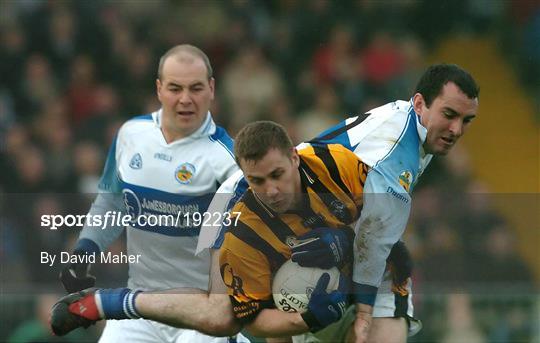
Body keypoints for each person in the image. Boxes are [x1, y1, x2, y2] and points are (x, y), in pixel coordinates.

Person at [51, 63, 479, 342]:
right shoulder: (391, 154)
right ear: (421, 104)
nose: (457, 129)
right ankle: (110, 303)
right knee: (221, 315)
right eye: (450, 116)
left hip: (336, 241)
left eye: (466, 121)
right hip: (283, 228)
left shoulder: (406, 135)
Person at [57, 44, 245, 342]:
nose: (185, 99)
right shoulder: (131, 135)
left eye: (196, 88)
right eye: (175, 88)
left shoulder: (228, 161)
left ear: (211, 88)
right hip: (140, 305)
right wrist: (85, 251)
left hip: (201, 313)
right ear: (159, 89)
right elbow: (111, 203)